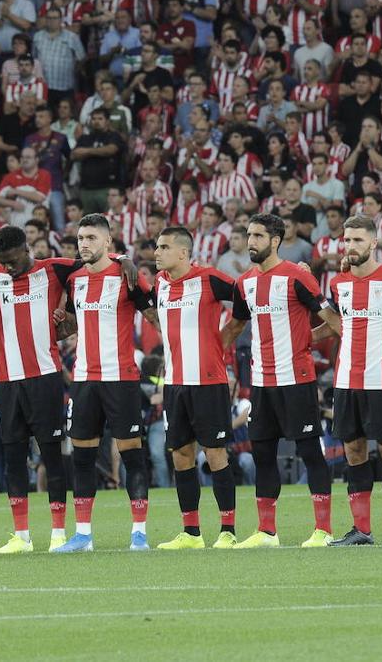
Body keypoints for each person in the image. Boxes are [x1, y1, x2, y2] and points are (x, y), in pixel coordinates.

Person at [219, 213, 343, 548]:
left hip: (296, 379)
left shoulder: (297, 276)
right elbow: (235, 327)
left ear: (275, 241)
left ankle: (323, 530)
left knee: (310, 451)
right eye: (249, 235)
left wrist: (308, 340)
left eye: (258, 236)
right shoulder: (244, 283)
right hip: (261, 381)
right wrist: (211, 352)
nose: (251, 241)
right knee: (262, 453)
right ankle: (266, 532)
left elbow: (332, 321)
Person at [0, 226, 80, 554]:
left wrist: (122, 258)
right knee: (14, 457)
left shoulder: (53, 269)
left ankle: (58, 533)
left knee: (51, 456)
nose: (9, 267)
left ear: (26, 250)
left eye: (13, 260)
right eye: (4, 261)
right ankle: (21, 536)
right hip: (9, 380)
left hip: (45, 377)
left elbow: (92, 264)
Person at [53, 215, 155, 552]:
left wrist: (124, 260)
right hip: (84, 379)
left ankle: (139, 533)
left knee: (131, 455)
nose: (84, 244)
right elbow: (74, 323)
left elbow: (155, 317)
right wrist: (58, 324)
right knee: (82, 457)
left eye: (92, 238)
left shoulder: (127, 276)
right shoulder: (74, 279)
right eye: (81, 238)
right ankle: (83, 535)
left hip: (120, 378)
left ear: (108, 242)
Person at [326, 216, 382, 546]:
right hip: (346, 381)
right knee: (353, 451)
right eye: (347, 240)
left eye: (358, 240)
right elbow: (336, 321)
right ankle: (361, 530)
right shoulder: (337, 283)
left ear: (374, 243)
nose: (351, 246)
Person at [151, 227, 241, 550]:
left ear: (183, 253)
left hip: (208, 382)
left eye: (164, 247)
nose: (157, 252)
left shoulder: (210, 279)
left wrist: (224, 339)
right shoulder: (159, 283)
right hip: (175, 384)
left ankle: (227, 531)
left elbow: (244, 300)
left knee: (215, 453)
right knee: (181, 455)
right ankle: (191, 533)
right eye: (157, 247)